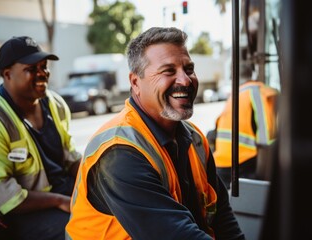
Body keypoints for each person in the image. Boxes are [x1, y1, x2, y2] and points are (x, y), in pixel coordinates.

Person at [66, 27, 244, 240]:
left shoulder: (195, 139)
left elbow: (223, 217)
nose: (185, 80)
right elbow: (175, 234)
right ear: (135, 83)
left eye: (188, 69)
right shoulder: (118, 152)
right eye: (168, 71)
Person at [0, 36, 82, 240]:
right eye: (31, 69)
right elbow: (7, 199)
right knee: (83, 230)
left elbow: (71, 158)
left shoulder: (56, 103)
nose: (42, 73)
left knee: (116, 213)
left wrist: (99, 180)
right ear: (7, 74)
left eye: (44, 66)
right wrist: (60, 201)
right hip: (21, 213)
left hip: (63, 192)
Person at [213, 62, 278, 189]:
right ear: (252, 73)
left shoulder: (237, 94)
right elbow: (265, 138)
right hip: (241, 163)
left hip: (221, 163)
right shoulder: (255, 91)